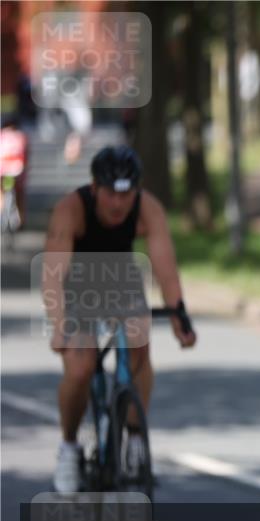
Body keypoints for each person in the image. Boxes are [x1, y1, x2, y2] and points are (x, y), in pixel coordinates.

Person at [43, 145, 196, 493]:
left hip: (120, 279)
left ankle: (135, 439)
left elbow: (164, 266)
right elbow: (53, 274)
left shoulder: (148, 209)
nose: (118, 205)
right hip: (76, 285)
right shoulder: (71, 210)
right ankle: (68, 447)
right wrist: (59, 323)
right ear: (95, 188)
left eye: (127, 195)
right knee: (80, 368)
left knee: (140, 348)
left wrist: (179, 316)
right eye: (111, 194)